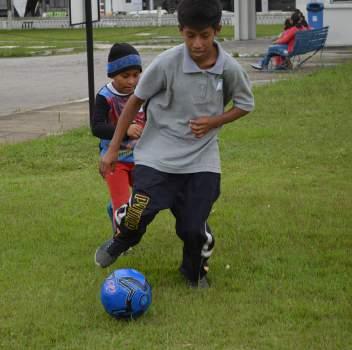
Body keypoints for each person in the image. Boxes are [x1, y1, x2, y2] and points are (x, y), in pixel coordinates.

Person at [95, 0, 255, 288]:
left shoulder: (229, 69)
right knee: (138, 212)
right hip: (157, 156)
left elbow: (245, 104)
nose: (197, 43)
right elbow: (134, 103)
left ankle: (193, 272)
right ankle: (123, 238)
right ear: (181, 30)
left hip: (201, 160)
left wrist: (214, 121)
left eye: (204, 35)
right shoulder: (167, 63)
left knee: (194, 227)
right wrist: (111, 150)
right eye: (190, 35)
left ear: (217, 30)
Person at [91, 43, 146, 229]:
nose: (131, 81)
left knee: (142, 203)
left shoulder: (143, 94)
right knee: (123, 206)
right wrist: (125, 131)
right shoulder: (105, 96)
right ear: (113, 74)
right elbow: (97, 127)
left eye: (136, 75)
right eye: (125, 76)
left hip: (141, 158)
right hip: (115, 160)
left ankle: (112, 208)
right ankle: (120, 239)